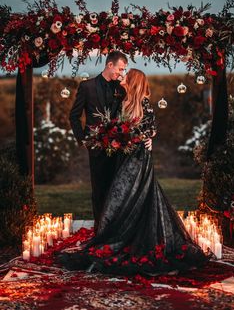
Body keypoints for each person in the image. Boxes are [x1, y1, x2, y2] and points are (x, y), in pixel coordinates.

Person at [60, 68, 209, 276]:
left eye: (126, 75)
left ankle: (128, 236)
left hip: (138, 158)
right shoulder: (122, 100)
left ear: (133, 81)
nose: (123, 77)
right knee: (122, 197)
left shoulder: (144, 103)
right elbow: (125, 127)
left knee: (132, 195)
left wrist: (146, 138)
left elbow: (151, 128)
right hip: (125, 156)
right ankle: (118, 234)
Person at [69, 52, 151, 233]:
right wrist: (83, 139)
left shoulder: (122, 88)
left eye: (124, 70)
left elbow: (139, 111)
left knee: (118, 190)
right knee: (99, 189)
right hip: (97, 147)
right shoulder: (87, 86)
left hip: (120, 148)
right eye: (120, 69)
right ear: (109, 65)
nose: (122, 73)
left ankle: (116, 229)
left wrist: (148, 137)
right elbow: (74, 116)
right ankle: (100, 229)